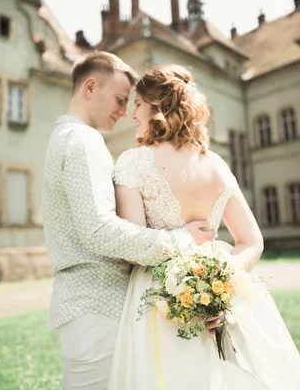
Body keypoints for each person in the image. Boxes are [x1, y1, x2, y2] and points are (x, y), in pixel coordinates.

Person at [108, 64, 300, 389]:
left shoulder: (132, 163)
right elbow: (251, 241)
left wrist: (203, 284)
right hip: (217, 308)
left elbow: (135, 248)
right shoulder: (216, 165)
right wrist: (218, 285)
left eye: (138, 104)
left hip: (156, 300)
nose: (132, 114)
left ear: (157, 107)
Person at [42, 52, 217, 390]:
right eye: (121, 100)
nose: (124, 112)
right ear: (90, 86)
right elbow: (99, 230)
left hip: (88, 308)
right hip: (97, 309)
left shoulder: (65, 137)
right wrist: (181, 240)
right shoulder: (83, 140)